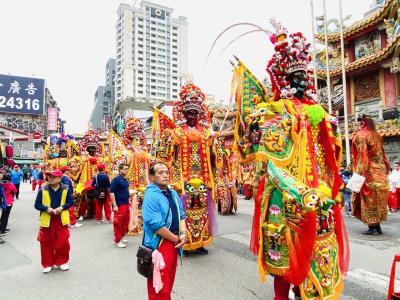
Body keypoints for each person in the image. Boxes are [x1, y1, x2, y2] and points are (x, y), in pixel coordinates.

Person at [142, 162, 186, 300]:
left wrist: (183, 234)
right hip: (160, 244)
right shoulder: (151, 196)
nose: (165, 175)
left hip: (174, 241)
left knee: (168, 281)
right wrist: (177, 239)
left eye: (166, 172)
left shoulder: (172, 193)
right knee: (159, 285)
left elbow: (181, 214)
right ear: (152, 177)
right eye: (160, 172)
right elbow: (156, 225)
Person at [352, 114, 390, 235]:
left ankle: (373, 227)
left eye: (360, 122)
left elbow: (362, 157)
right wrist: (386, 171)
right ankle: (377, 227)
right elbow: (383, 156)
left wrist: (358, 175)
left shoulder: (361, 135)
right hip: (381, 174)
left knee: (369, 200)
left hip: (369, 173)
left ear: (363, 123)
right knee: (378, 200)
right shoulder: (377, 136)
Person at [34, 169, 74, 273]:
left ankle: (62, 262)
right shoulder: (43, 190)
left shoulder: (66, 189)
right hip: (47, 219)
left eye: (53, 177)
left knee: (63, 242)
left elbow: (70, 202)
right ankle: (48, 263)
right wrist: (47, 209)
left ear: (60, 178)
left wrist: (62, 207)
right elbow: (37, 205)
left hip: (61, 219)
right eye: (49, 177)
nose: (50, 178)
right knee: (46, 242)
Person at [110, 163, 133, 248]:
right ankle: (117, 240)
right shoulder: (116, 179)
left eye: (127, 169)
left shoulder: (125, 179)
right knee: (118, 222)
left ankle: (121, 237)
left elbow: (124, 191)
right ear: (119, 169)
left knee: (125, 222)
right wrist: (114, 205)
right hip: (119, 205)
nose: (126, 170)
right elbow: (111, 192)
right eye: (125, 169)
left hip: (126, 203)